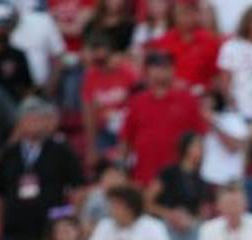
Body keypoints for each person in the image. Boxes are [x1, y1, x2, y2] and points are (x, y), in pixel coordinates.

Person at [0, 97, 83, 240]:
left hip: (50, 232)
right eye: (29, 119)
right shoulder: (9, 153)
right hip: (14, 232)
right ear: (20, 123)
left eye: (39, 119)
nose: (34, 124)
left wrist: (69, 219)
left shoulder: (61, 151)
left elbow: (78, 188)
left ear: (48, 122)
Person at [120, 50, 206, 186]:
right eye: (157, 66)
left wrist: (195, 173)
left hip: (179, 178)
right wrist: (123, 171)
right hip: (144, 176)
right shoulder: (136, 102)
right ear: (147, 70)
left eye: (166, 67)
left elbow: (198, 139)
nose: (161, 72)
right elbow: (126, 140)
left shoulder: (188, 101)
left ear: (173, 70)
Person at [146, 132, 207, 240]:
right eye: (197, 146)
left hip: (191, 227)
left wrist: (190, 220)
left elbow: (201, 210)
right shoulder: (169, 173)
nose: (201, 150)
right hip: (167, 225)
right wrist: (170, 215)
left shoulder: (199, 179)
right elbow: (147, 201)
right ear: (186, 149)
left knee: (199, 234)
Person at [80, 32, 140, 173]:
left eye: (104, 57)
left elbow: (139, 102)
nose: (101, 63)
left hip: (128, 129)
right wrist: (91, 147)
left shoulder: (127, 72)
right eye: (97, 59)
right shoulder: (91, 76)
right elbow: (89, 114)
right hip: (105, 131)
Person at [149, 0, 222, 94]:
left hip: (201, 96)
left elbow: (216, 77)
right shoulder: (162, 42)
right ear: (174, 14)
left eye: (191, 12)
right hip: (169, 96)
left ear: (197, 14)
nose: (187, 17)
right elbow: (153, 75)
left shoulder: (210, 42)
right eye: (182, 12)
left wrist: (201, 88)